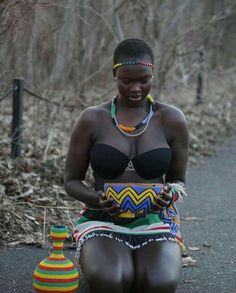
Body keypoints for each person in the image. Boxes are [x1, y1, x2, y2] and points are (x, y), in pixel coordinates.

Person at [64, 38, 189, 293]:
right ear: (114, 75)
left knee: (158, 283)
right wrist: (97, 200)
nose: (135, 88)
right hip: (102, 221)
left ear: (153, 73)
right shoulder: (92, 119)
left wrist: (168, 194)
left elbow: (178, 181)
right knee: (112, 281)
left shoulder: (172, 119)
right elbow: (71, 181)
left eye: (143, 80)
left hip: (155, 220)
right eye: (126, 80)